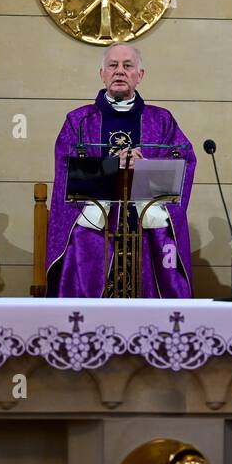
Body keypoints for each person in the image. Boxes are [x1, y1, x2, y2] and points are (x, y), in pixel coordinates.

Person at [46, 43, 195, 298]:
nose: (119, 72)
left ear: (140, 75)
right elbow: (66, 168)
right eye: (113, 66)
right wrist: (112, 168)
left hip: (144, 215)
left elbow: (182, 160)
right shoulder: (79, 120)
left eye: (128, 66)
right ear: (102, 74)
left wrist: (143, 167)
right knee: (81, 239)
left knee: (160, 235)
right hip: (97, 217)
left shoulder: (161, 120)